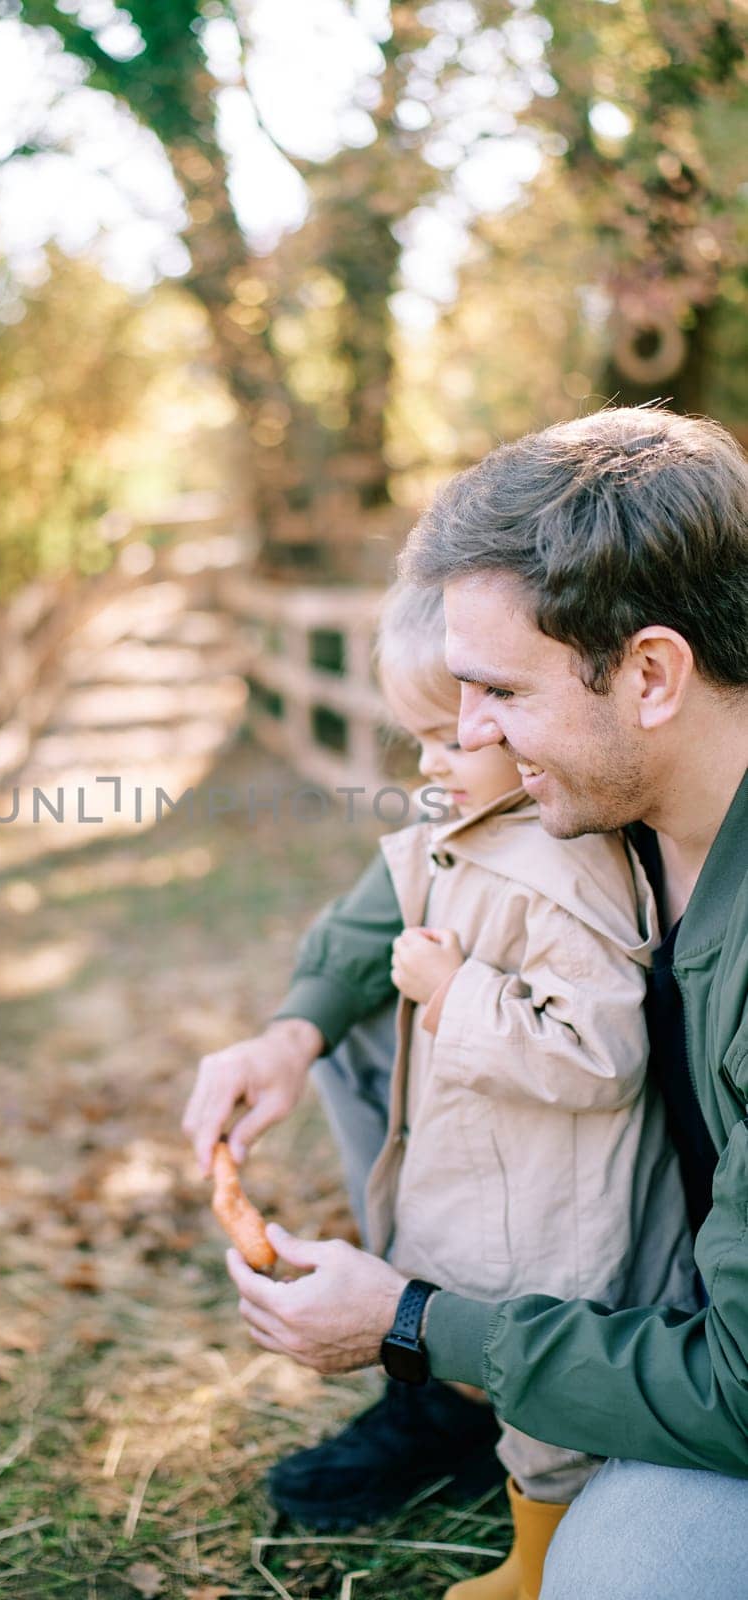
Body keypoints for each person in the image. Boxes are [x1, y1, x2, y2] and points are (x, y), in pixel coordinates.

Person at [183, 408, 748, 1598]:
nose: (464, 737)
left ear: (649, 672)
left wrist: (412, 1322)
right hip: (669, 1245)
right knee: (351, 1026)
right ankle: (469, 1402)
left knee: (618, 1572)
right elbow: (393, 886)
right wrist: (290, 1030)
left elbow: (742, 1389)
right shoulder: (613, 779)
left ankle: (507, 1383)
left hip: (720, 1341)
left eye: (495, 692)